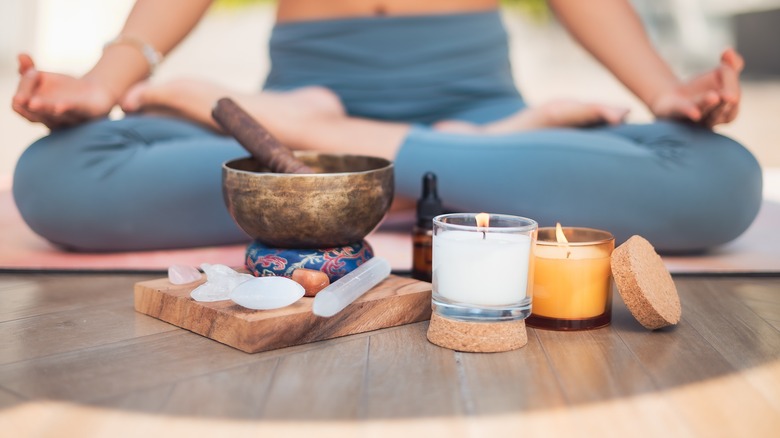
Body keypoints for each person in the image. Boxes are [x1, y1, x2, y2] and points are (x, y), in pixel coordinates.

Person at [11, 0, 761, 253]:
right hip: (303, 116)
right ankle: (448, 174)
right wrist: (103, 86)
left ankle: (360, 167)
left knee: (721, 179)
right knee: (58, 175)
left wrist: (665, 91)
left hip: (422, 117)